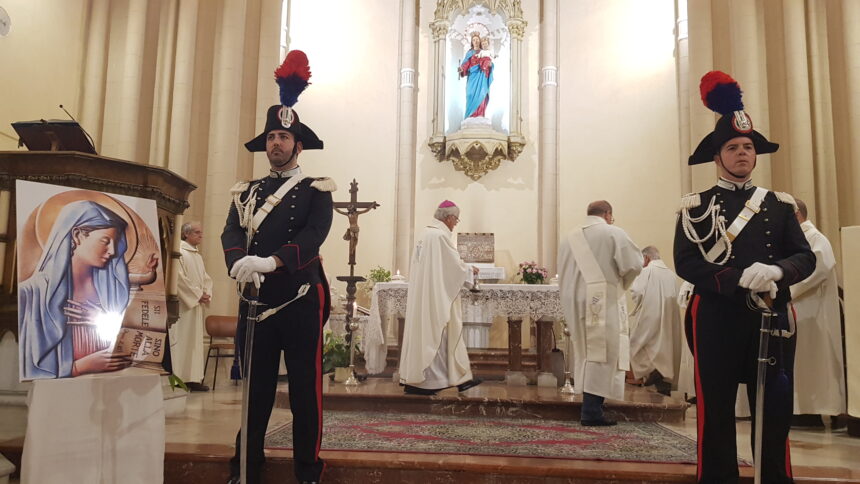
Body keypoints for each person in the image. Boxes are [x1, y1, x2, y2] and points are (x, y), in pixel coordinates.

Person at [674, 71, 815, 483]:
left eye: (748, 147)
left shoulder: (780, 204)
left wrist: (776, 270)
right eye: (733, 147)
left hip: (769, 319)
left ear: (756, 154)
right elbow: (687, 262)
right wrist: (736, 279)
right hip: (717, 317)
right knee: (715, 410)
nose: (742, 154)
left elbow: (805, 258)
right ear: (717, 156)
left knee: (773, 409)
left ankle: (774, 478)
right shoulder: (694, 205)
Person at [221, 50, 335, 484]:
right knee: (256, 392)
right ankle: (246, 467)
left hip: (300, 298)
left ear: (298, 144)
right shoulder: (245, 192)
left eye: (284, 138)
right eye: (271, 137)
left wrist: (270, 261)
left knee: (305, 391)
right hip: (256, 302)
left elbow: (312, 236)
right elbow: (231, 231)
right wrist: (238, 263)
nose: (276, 144)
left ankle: (308, 470)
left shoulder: (315, 190)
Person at [18, 200, 133, 380]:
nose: (112, 250)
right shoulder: (31, 293)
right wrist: (79, 367)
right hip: (59, 395)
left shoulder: (112, 291)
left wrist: (105, 316)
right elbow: (28, 364)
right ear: (78, 235)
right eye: (105, 241)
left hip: (111, 387)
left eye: (115, 242)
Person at [558, 200, 643, 426]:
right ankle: (592, 411)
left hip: (574, 301)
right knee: (602, 353)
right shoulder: (612, 232)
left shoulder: (569, 237)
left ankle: (591, 406)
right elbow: (635, 264)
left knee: (586, 352)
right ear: (607, 214)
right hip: (602, 301)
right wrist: (620, 283)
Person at [398, 200, 482, 396]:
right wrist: (470, 270)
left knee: (427, 335)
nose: (455, 224)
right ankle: (430, 382)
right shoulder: (439, 236)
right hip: (436, 298)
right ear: (449, 217)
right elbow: (453, 267)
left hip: (425, 295)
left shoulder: (425, 234)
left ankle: (417, 380)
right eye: (456, 220)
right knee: (438, 335)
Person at [790, 198, 846, 426]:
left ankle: (811, 412)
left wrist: (781, 289)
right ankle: (800, 411)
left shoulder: (815, 239)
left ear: (795, 215)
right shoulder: (798, 239)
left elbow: (816, 269)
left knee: (812, 362)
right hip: (800, 313)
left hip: (814, 313)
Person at [628, 246, 681, 396]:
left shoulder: (646, 271)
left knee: (637, 343)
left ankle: (654, 372)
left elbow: (637, 291)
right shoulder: (671, 274)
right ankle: (662, 381)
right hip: (669, 318)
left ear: (646, 258)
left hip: (650, 314)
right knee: (665, 349)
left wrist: (637, 305)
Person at [169, 221, 213, 392]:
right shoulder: (179, 252)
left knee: (194, 343)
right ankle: (178, 378)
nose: (201, 235)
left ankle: (193, 378)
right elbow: (178, 279)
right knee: (181, 341)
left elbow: (206, 278)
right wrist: (196, 294)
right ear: (186, 234)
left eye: (201, 232)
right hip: (183, 307)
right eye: (197, 232)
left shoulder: (197, 255)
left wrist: (206, 292)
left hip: (195, 306)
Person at [458, 33, 494, 119]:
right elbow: (465, 64)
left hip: (482, 76)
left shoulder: (485, 52)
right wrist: (461, 69)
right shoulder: (470, 53)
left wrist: (489, 65)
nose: (476, 41)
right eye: (474, 40)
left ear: (480, 41)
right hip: (472, 76)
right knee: (470, 94)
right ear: (471, 42)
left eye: (477, 39)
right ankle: (470, 116)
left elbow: (490, 62)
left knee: (482, 94)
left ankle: (480, 116)